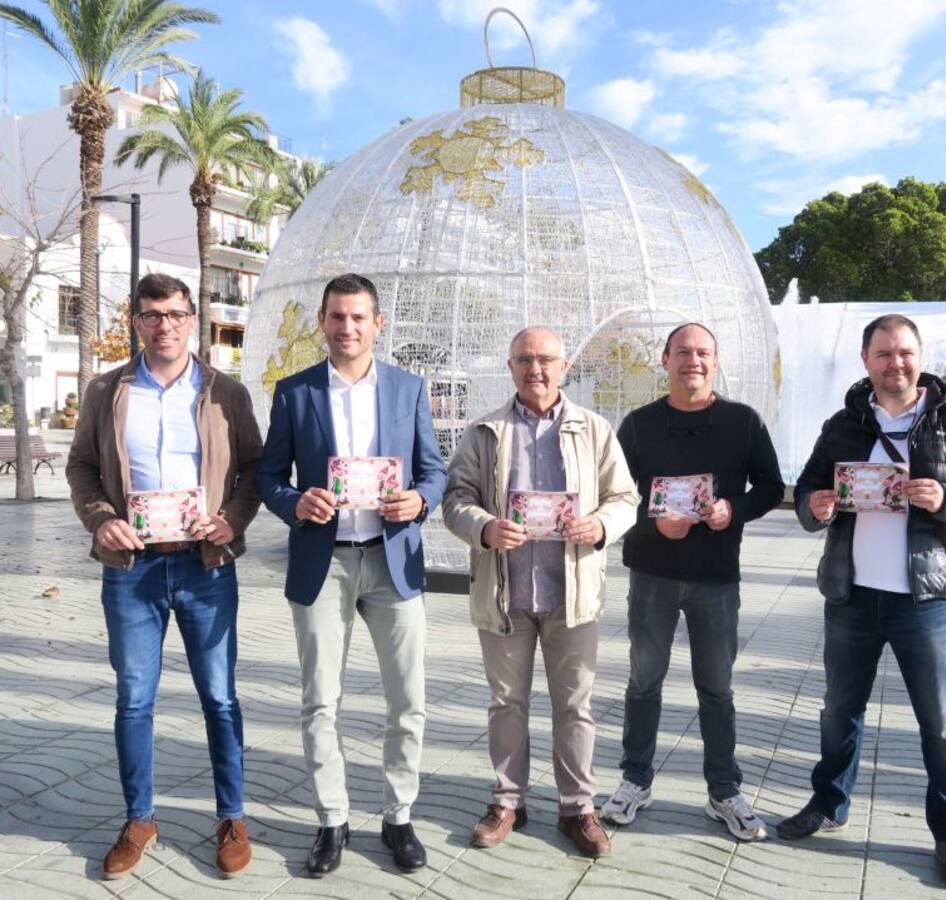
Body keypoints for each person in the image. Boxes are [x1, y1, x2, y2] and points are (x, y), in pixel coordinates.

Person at [780, 314, 946, 889]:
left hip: (926, 600)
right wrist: (815, 507)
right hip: (851, 596)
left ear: (919, 356)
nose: (895, 364)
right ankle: (829, 803)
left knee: (943, 726)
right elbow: (805, 490)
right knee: (839, 713)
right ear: (866, 360)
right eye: (883, 354)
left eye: (904, 352)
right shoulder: (843, 425)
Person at [66, 273, 262, 880]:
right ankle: (140, 818)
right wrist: (101, 521)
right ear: (137, 322)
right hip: (134, 569)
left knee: (220, 696)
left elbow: (254, 471)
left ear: (192, 320)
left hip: (206, 565)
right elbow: (81, 467)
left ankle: (231, 817)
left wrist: (231, 520)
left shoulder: (226, 393)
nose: (165, 326)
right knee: (134, 699)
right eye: (152, 315)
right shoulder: (107, 390)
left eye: (175, 314)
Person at [256, 273, 447, 878]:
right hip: (325, 562)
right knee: (320, 701)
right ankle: (331, 819)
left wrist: (419, 500)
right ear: (322, 321)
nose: (347, 328)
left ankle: (399, 816)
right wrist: (295, 503)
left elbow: (434, 471)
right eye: (337, 317)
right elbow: (268, 477)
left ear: (377, 323)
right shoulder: (295, 392)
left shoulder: (408, 389)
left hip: (393, 561)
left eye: (358, 317)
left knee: (408, 700)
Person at [442, 326, 638, 858]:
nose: (536, 369)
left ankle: (578, 808)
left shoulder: (594, 429)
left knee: (575, 705)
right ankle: (508, 801)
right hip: (505, 592)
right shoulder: (485, 432)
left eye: (546, 359)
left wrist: (600, 525)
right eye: (525, 360)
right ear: (510, 367)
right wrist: (484, 527)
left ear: (564, 366)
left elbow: (625, 497)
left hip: (572, 594)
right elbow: (455, 498)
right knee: (507, 703)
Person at [599, 323, 784, 841]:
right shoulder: (639, 425)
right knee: (644, 682)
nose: (693, 361)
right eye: (683, 352)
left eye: (703, 352)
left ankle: (723, 790)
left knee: (717, 687)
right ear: (665, 361)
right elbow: (612, 495)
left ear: (715, 361)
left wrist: (733, 509)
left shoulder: (743, 422)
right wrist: (652, 522)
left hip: (716, 576)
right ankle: (635, 780)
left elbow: (771, 486)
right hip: (652, 573)